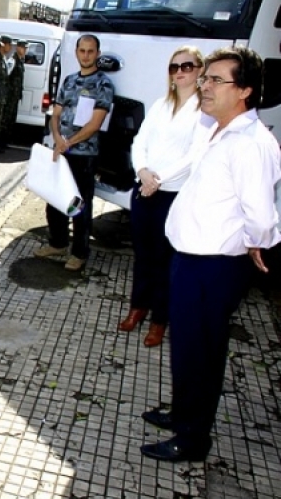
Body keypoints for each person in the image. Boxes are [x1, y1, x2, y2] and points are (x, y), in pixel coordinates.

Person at [140, 46, 281, 462]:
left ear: (245, 91)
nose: (205, 85)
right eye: (206, 78)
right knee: (186, 347)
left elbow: (261, 212)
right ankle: (183, 413)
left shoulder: (251, 143)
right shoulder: (218, 128)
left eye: (216, 79)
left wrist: (257, 241)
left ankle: (192, 438)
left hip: (214, 267)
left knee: (201, 352)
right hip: (191, 260)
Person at [118, 46, 204, 347]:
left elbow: (195, 155)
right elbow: (139, 140)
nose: (179, 72)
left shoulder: (203, 110)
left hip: (173, 195)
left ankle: (159, 320)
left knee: (166, 260)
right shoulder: (160, 105)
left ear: (199, 70)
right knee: (143, 256)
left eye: (186, 66)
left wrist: (159, 180)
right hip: (144, 190)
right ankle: (137, 308)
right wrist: (142, 171)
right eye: (174, 67)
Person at [33, 34, 114, 271]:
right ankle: (57, 243)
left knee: (78, 204)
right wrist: (58, 138)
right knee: (55, 200)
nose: (86, 55)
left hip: (84, 156)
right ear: (77, 52)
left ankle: (79, 253)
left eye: (91, 51)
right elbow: (55, 114)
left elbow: (95, 123)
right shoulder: (68, 81)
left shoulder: (103, 84)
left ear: (97, 54)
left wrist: (69, 142)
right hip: (61, 151)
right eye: (82, 51)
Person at [2, 39, 27, 145]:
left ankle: (5, 140)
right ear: (17, 47)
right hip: (9, 95)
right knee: (5, 119)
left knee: (11, 119)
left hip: (15, 96)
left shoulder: (20, 60)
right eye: (23, 47)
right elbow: (6, 77)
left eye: (26, 48)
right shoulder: (12, 60)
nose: (25, 50)